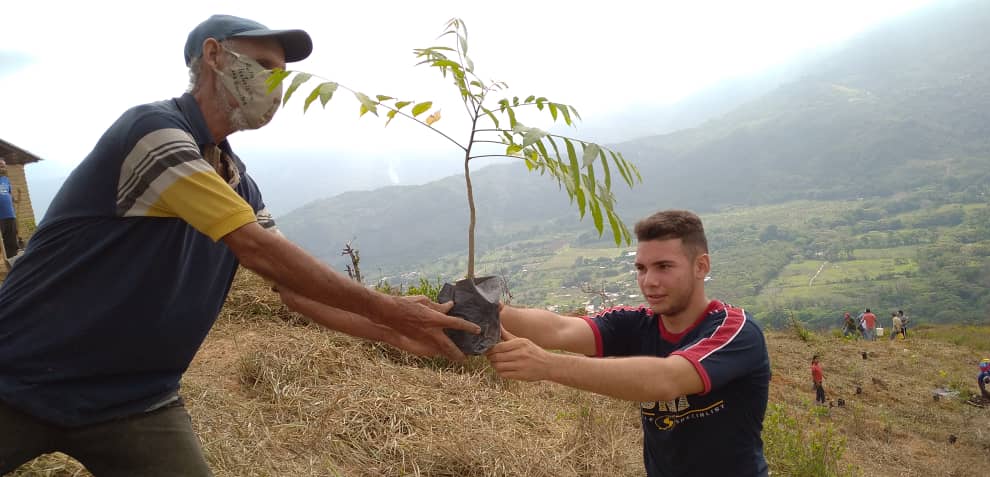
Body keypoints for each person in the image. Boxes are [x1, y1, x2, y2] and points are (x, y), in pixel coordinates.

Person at [0, 15, 480, 476]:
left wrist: (392, 334)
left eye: (285, 75)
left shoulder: (238, 182)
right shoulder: (151, 133)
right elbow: (256, 248)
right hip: (20, 376)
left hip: (134, 400)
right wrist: (392, 310)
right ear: (214, 56)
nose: (278, 85)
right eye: (265, 67)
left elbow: (293, 288)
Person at [487, 210, 771, 477]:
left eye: (663, 267)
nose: (649, 281)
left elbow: (666, 380)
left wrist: (547, 365)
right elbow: (559, 329)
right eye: (641, 268)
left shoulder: (736, 331)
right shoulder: (635, 324)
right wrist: (486, 310)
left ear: (701, 266)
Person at [0, 158, 20, 260]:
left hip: (10, 215)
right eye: (0, 164)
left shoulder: (6, 180)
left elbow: (9, 195)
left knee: (11, 242)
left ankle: (13, 265)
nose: (2, 166)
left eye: (4, 165)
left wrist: (15, 199)